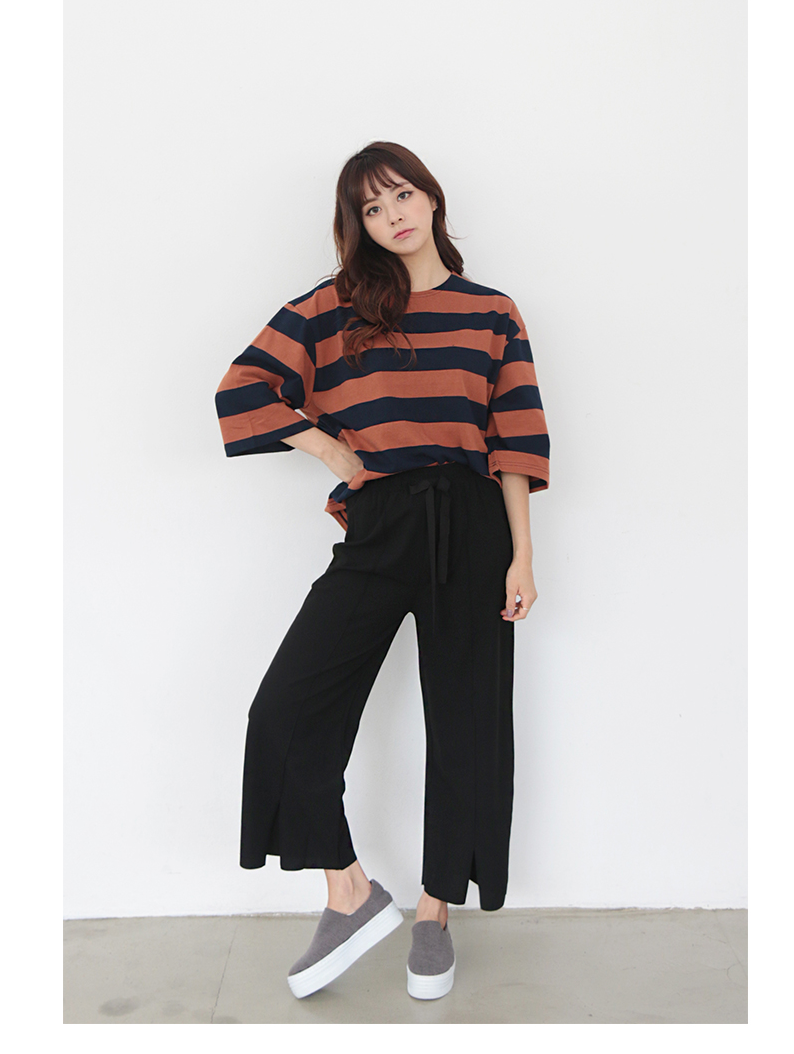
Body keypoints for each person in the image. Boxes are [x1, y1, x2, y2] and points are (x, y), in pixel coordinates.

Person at [215, 141, 551, 1000]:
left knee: (468, 722)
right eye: (371, 207)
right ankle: (349, 890)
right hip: (381, 522)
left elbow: (514, 437)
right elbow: (243, 386)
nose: (392, 214)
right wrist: (327, 446)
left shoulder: (492, 311)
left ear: (431, 198)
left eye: (401, 194)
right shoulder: (333, 308)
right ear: (357, 225)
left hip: (474, 525)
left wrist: (522, 552)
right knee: (285, 708)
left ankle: (435, 912)